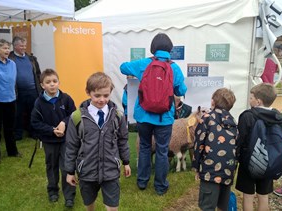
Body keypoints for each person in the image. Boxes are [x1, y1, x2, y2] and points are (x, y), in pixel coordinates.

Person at [120, 33, 187, 195]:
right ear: (170, 50)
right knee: (162, 151)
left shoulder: (144, 63)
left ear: (153, 49)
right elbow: (181, 90)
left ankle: (142, 181)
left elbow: (123, 67)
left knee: (144, 147)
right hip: (164, 117)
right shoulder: (174, 67)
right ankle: (160, 186)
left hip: (143, 115)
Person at [65, 72, 131, 211]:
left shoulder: (117, 116)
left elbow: (123, 140)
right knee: (89, 203)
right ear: (88, 92)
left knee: (113, 207)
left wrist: (126, 162)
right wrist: (70, 171)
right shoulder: (77, 118)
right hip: (87, 171)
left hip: (110, 170)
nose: (102, 99)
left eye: (106, 96)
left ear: (111, 93)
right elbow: (71, 146)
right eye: (97, 96)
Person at [30, 69, 76, 207]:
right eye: (48, 82)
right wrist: (51, 130)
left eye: (54, 81)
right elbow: (35, 123)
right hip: (49, 141)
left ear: (59, 83)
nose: (52, 85)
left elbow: (74, 115)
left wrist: (64, 123)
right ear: (42, 85)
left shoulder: (66, 98)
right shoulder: (39, 103)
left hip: (65, 140)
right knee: (51, 166)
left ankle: (69, 195)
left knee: (67, 166)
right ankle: (52, 191)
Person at [235, 83, 282, 211]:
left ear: (258, 101)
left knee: (248, 196)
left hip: (249, 162)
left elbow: (241, 140)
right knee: (263, 196)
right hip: (269, 161)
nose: (249, 100)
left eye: (251, 98)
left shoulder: (247, 116)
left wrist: (237, 159)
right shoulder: (279, 117)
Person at [192, 88, 238, 211]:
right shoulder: (233, 121)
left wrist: (196, 166)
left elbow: (199, 143)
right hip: (228, 170)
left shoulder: (207, 118)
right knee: (223, 204)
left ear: (213, 102)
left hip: (210, 170)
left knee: (207, 205)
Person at [9, 36, 41, 141]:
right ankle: (18, 134)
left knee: (33, 112)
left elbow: (38, 73)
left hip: (33, 91)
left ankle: (33, 132)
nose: (24, 47)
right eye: (21, 45)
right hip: (18, 91)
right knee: (17, 113)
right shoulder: (10, 58)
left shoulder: (31, 58)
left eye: (24, 45)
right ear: (15, 46)